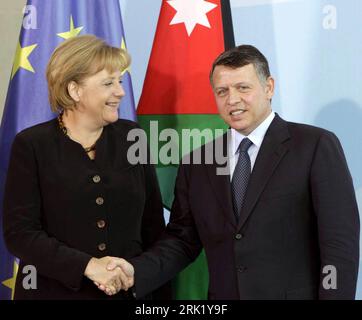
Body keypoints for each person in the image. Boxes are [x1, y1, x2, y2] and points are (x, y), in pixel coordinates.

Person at [107, 45, 360, 299]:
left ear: (269, 87)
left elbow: (339, 244)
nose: (233, 99)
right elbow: (182, 241)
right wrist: (135, 271)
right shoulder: (197, 163)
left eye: (243, 88)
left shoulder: (314, 145)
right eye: (222, 91)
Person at [3, 34, 167, 299]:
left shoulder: (133, 137)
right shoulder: (32, 145)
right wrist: (89, 267)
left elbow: (153, 227)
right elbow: (20, 234)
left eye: (120, 81)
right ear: (74, 90)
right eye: (108, 83)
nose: (121, 92)